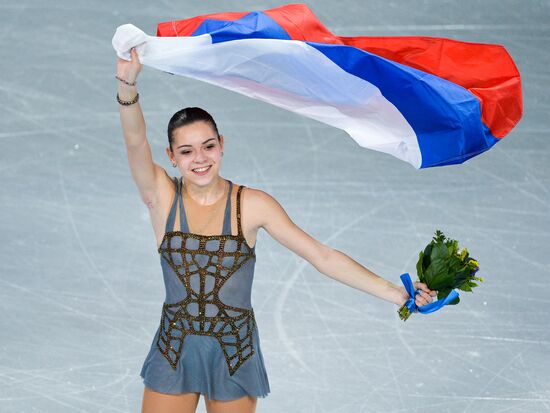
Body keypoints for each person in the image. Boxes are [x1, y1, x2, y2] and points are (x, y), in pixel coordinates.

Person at [116, 47, 437, 413]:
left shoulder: (252, 205)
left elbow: (321, 255)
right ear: (172, 157)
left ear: (222, 145)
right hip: (173, 350)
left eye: (208, 146)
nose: (200, 158)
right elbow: (134, 142)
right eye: (186, 151)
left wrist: (396, 293)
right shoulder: (161, 197)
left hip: (233, 351)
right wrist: (126, 84)